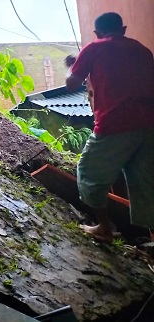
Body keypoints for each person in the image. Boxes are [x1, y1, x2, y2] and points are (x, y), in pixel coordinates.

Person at [65, 12, 154, 243]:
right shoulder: (143, 51)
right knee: (146, 182)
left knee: (88, 173)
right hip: (148, 125)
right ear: (123, 29)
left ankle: (104, 227)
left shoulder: (94, 48)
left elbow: (71, 83)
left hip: (114, 124)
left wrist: (73, 66)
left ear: (97, 33)